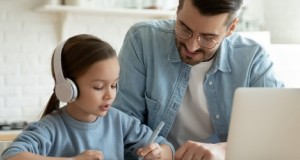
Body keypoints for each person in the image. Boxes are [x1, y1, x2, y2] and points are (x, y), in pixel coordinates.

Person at [113, 0, 284, 159]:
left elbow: (279, 130)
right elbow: (122, 121)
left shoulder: (253, 59)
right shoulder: (143, 40)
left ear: (231, 28)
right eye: (184, 28)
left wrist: (225, 149)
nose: (191, 46)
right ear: (177, 10)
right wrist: (162, 151)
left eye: (208, 37)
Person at [1, 34, 174, 160]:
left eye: (114, 85)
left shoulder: (120, 122)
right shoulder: (49, 128)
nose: (110, 95)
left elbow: (168, 148)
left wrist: (158, 154)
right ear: (68, 88)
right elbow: (11, 157)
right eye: (99, 87)